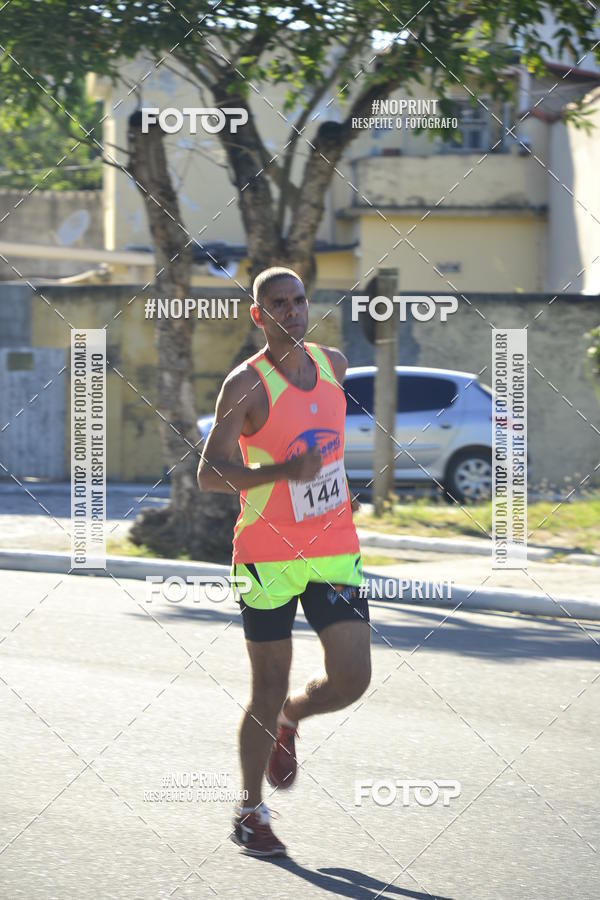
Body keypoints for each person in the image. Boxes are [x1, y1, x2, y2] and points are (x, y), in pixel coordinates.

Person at [197, 266, 371, 857]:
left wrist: (325, 483)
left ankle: (292, 717)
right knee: (266, 685)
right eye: (278, 303)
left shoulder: (334, 365)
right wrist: (281, 472)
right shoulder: (245, 386)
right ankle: (250, 811)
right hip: (267, 555)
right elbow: (209, 473)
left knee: (352, 678)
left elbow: (325, 445)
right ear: (259, 314)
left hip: (334, 546)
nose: (292, 311)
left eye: (298, 301)